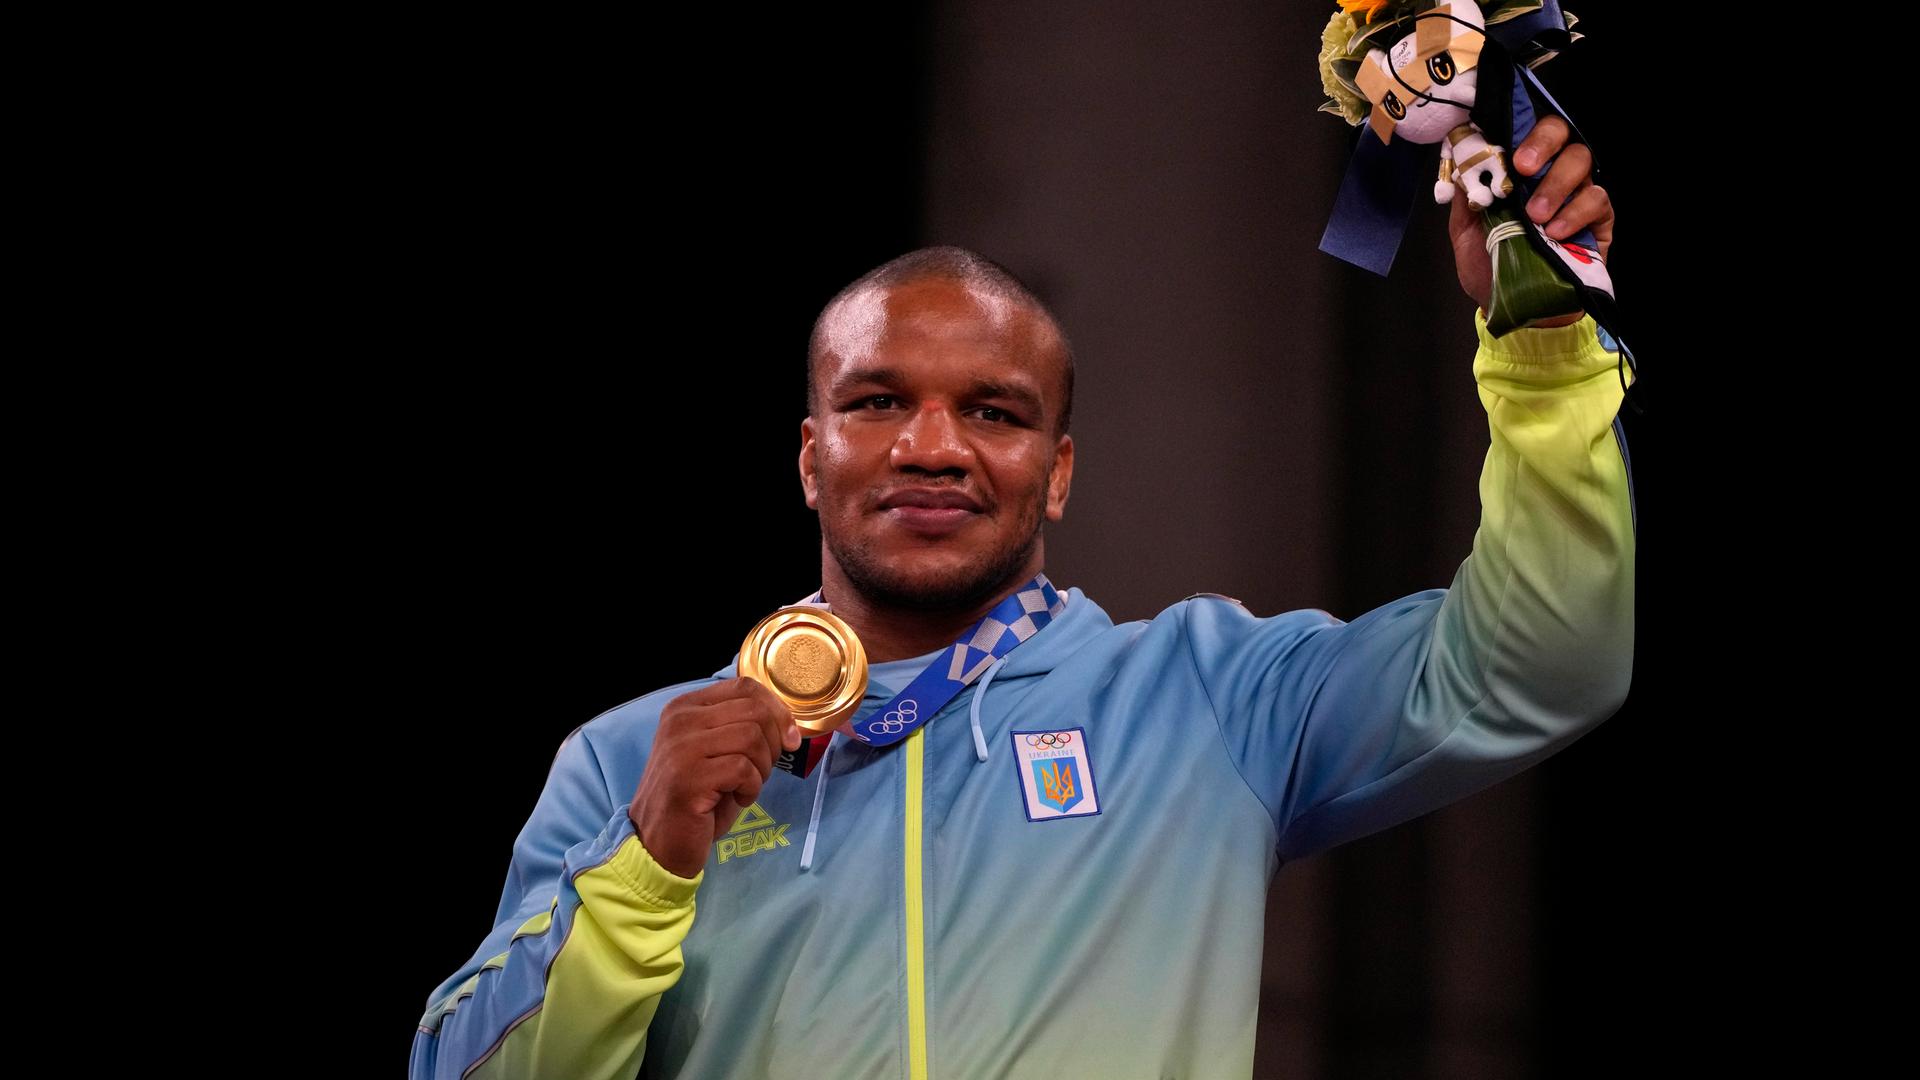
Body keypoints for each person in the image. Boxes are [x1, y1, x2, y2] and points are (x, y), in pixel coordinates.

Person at [410, 114, 1632, 1079]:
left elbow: (1547, 658)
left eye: (993, 412)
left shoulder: (1207, 698)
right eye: (878, 401)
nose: (932, 446)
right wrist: (644, 866)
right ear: (808, 456)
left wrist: (1541, 339)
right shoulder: (634, 763)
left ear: (1056, 473)